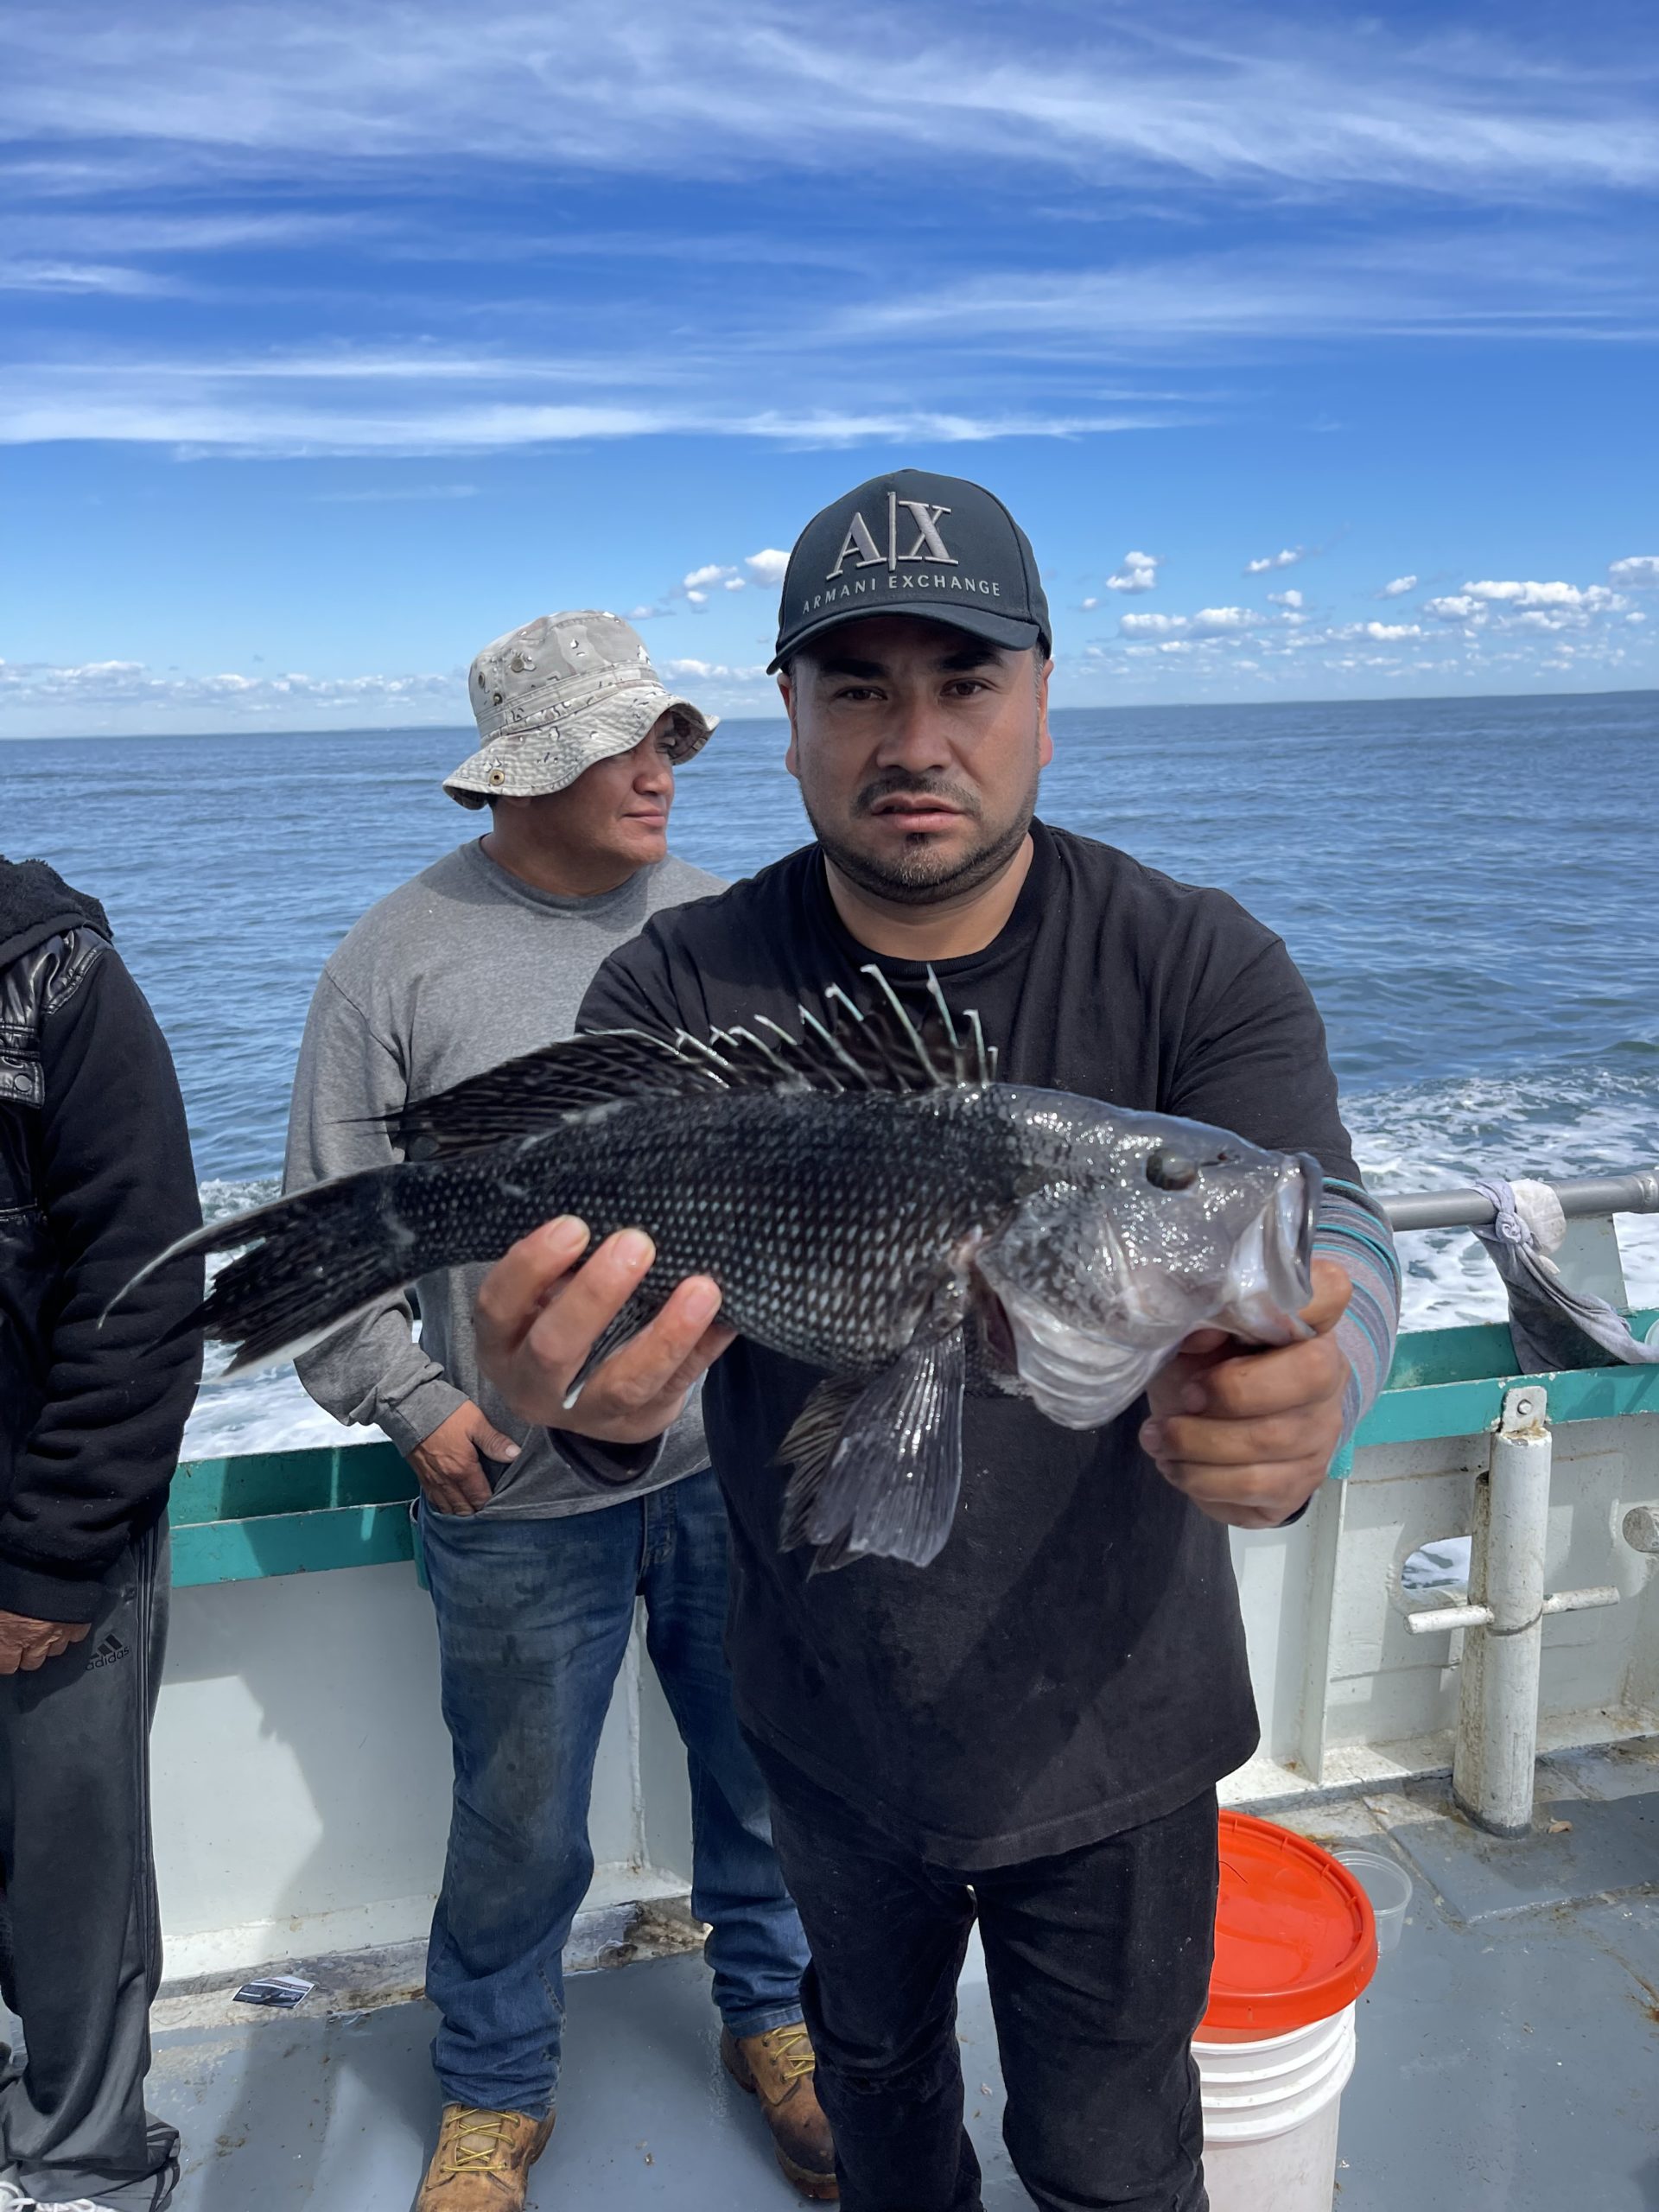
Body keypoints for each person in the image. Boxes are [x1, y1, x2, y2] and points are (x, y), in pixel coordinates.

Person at [467, 476, 1403, 2212]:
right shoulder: (678, 988)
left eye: (964, 679)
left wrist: (1322, 1387)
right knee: (884, 2110)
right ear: (795, 722)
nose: (915, 736)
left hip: (1121, 1726)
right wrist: (575, 1410)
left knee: (1115, 2152)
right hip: (822, 1717)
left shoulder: (1196, 960)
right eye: (857, 687)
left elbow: (1322, 1216)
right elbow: (610, 1387)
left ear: (1046, 696)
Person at [283, 612, 835, 2210]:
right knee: (519, 1819)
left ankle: (779, 2021)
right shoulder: (393, 963)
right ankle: (494, 2089)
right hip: (517, 1491)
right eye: (623, 741)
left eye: (669, 735)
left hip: (730, 1464)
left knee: (762, 1771)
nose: (662, 767)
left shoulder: (738, 925)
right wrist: (410, 1401)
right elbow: (330, 1230)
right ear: (521, 773)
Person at [0, 857, 204, 2212]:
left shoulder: (51, 972)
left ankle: (85, 2168)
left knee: (68, 1881)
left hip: (37, 1534)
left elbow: (144, 1280)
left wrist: (57, 1550)